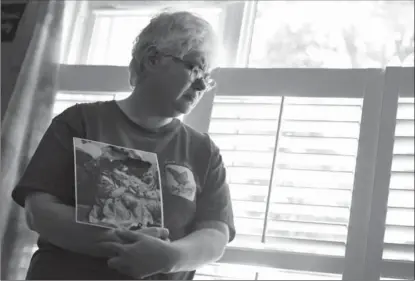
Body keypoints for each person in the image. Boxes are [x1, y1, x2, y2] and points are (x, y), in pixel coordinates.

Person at [11, 9, 235, 280]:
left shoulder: (204, 152)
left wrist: (170, 258)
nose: (201, 84)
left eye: (207, 76)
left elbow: (215, 233)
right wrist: (119, 242)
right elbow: (40, 211)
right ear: (153, 59)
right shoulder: (80, 122)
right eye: (195, 67)